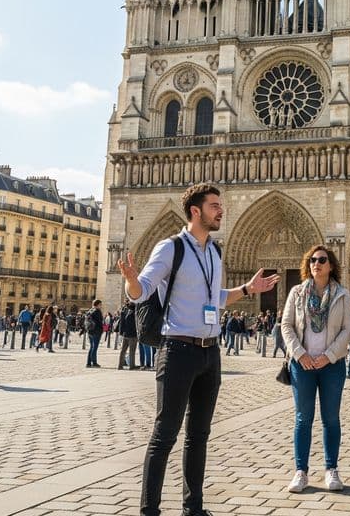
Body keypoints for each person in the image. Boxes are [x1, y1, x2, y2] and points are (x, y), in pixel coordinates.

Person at [118, 182, 278, 516]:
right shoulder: (170, 248)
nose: (221, 211)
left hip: (210, 352)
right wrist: (132, 279)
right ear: (196, 211)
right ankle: (149, 510)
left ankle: (194, 508)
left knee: (199, 435)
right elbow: (141, 291)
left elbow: (215, 299)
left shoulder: (214, 252)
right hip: (178, 350)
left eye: (220, 205)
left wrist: (248, 288)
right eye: (215, 206)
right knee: (165, 435)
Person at [281, 245, 350, 493]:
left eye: (322, 260)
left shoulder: (342, 294)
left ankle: (331, 469)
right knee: (303, 419)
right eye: (312, 260)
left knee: (331, 419)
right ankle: (301, 471)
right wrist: (300, 354)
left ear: (331, 265)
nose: (316, 264)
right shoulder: (297, 293)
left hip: (331, 365)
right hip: (302, 364)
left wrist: (329, 356)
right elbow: (286, 326)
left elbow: (347, 330)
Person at [118, 301, 139, 370]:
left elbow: (121, 322)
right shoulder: (135, 311)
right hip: (133, 334)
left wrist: (121, 332)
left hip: (125, 333)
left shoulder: (124, 311)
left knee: (123, 350)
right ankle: (132, 366)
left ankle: (120, 365)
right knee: (132, 350)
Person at [86, 300, 104, 368]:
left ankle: (88, 363)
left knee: (91, 347)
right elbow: (99, 322)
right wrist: (101, 330)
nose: (101, 306)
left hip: (90, 331)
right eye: (100, 304)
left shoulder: (90, 311)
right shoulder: (97, 311)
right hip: (96, 331)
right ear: (98, 304)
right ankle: (94, 362)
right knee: (94, 347)